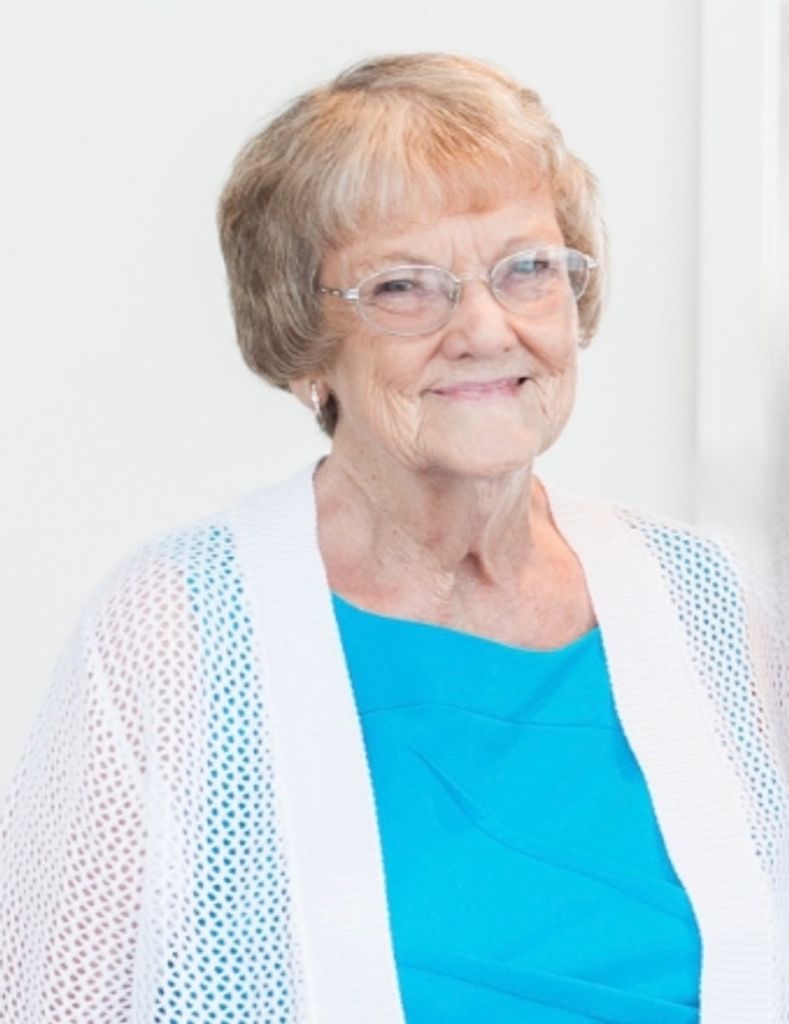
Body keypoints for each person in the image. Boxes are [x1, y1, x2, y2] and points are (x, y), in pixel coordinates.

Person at [1, 52, 786, 1024]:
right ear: (304, 343)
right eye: (406, 286)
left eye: (527, 269)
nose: (486, 329)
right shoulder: (179, 628)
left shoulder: (698, 595)